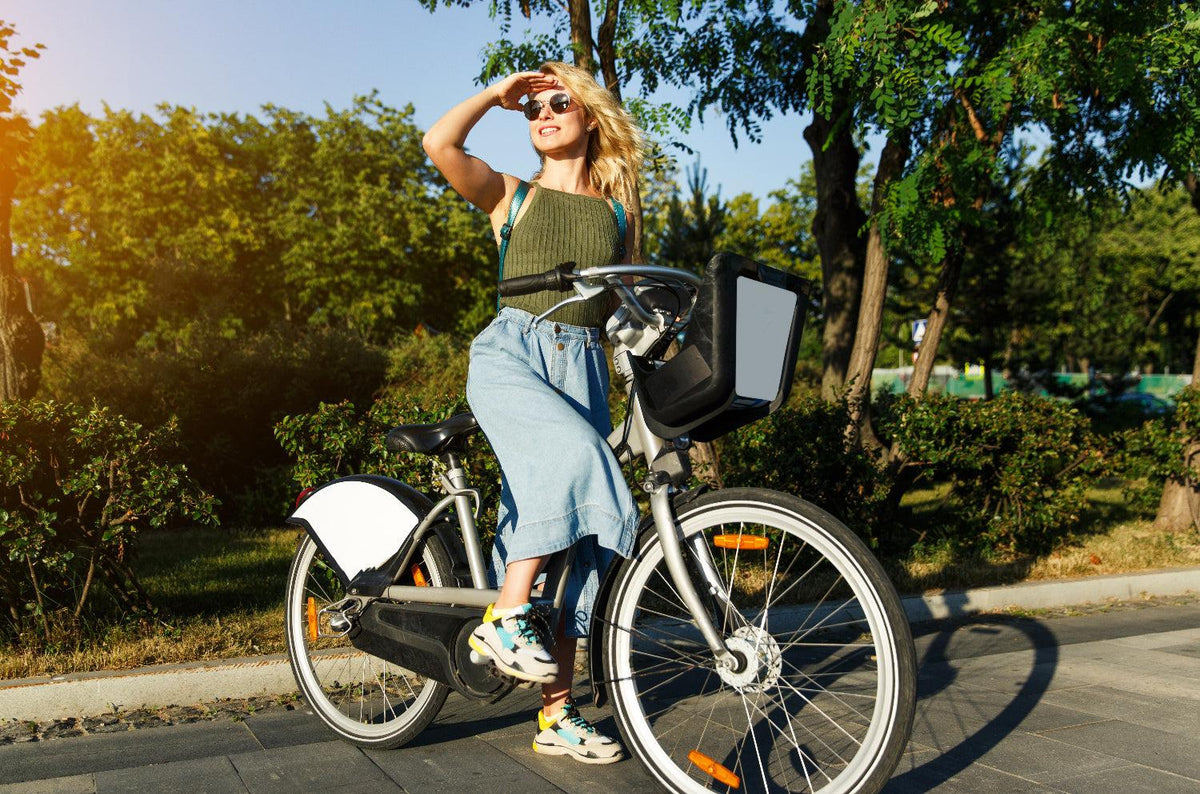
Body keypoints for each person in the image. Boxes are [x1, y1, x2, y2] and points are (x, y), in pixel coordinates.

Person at [422, 62, 644, 765]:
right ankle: (506, 614)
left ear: (590, 117)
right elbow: (438, 144)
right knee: (575, 461)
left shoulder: (617, 213)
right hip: (512, 357)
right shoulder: (510, 197)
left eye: (559, 103)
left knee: (578, 548)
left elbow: (624, 302)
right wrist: (496, 94)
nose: (543, 113)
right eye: (533, 108)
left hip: (584, 370)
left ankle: (557, 715)